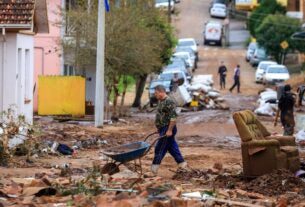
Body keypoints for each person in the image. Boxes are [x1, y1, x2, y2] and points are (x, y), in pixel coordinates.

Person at [151, 85, 187, 175]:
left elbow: (173, 117)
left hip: (168, 128)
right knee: (171, 147)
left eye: (156, 93)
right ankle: (182, 163)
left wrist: (169, 130)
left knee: (160, 148)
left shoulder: (169, 101)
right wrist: (159, 129)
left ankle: (154, 169)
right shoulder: (161, 101)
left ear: (161, 92)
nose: (155, 95)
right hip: (163, 128)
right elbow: (161, 116)